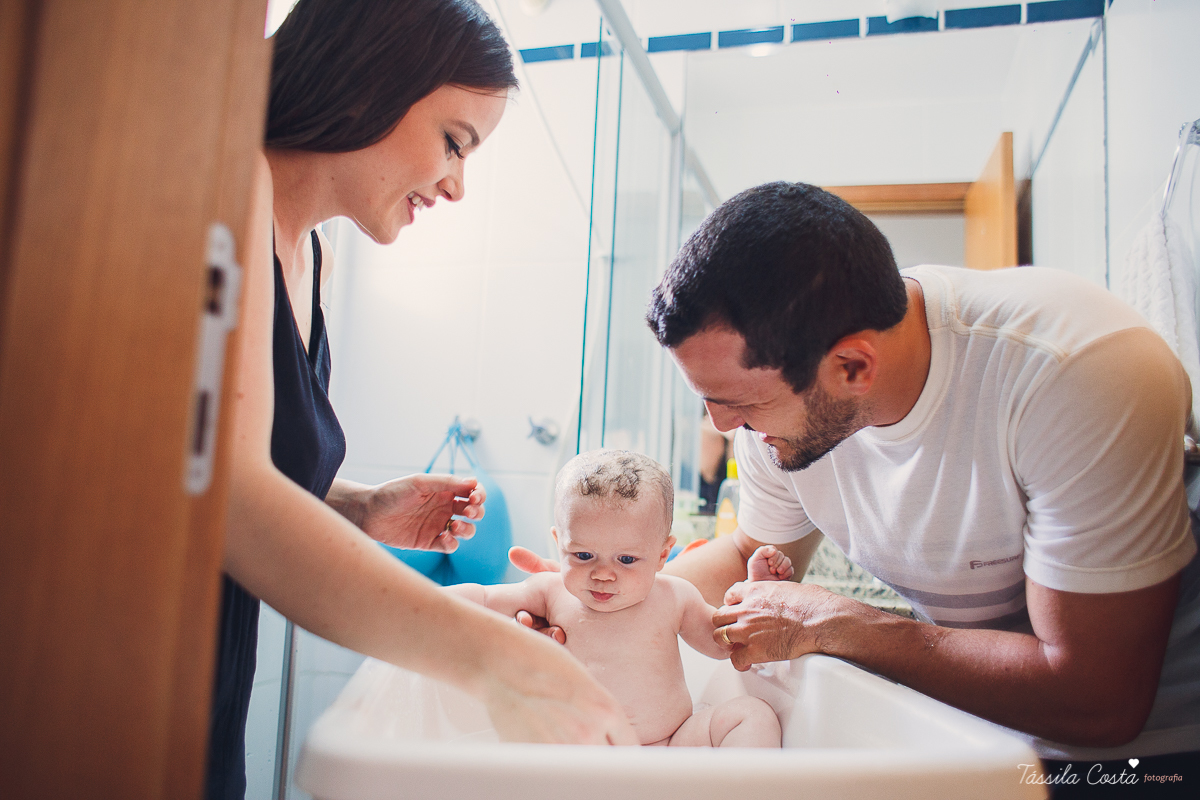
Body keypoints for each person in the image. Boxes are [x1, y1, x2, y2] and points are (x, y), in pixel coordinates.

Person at [212, 2, 637, 798]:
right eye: (454, 142)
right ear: (369, 77)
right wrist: (495, 661)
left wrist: (359, 506)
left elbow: (207, 456)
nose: (456, 185)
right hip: (109, 662)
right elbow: (227, 497)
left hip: (210, 688)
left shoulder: (312, 258)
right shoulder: (228, 189)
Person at [641, 181, 1200, 778]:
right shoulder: (775, 407)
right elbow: (748, 552)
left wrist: (836, 625)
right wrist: (598, 603)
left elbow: (1098, 701)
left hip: (1146, 755)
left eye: (737, 403)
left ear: (853, 366)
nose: (723, 426)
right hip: (967, 733)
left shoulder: (1075, 373)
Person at [451, 450, 791, 747]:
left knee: (752, 715)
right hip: (576, 751)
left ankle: (738, 790)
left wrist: (756, 597)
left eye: (626, 559)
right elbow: (483, 598)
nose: (603, 574)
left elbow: (725, 644)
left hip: (670, 744)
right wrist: (425, 600)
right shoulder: (548, 591)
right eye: (583, 555)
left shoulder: (676, 597)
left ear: (662, 554)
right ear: (559, 543)